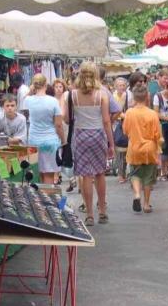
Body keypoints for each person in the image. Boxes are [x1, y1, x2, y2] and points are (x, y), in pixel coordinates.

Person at [64, 62, 114, 226]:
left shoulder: (72, 95)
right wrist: (111, 144)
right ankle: (102, 211)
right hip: (98, 135)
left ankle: (89, 213)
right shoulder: (102, 94)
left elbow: (66, 119)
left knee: (86, 175)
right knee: (100, 173)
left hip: (80, 136)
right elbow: (106, 121)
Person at [124, 84, 162, 213]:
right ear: (147, 97)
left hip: (134, 148)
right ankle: (146, 204)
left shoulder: (129, 113)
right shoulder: (152, 114)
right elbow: (157, 134)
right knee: (148, 178)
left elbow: (125, 130)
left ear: (134, 98)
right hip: (149, 149)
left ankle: (137, 195)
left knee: (135, 174)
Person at [24, 74, 66, 185]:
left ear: (34, 85)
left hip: (33, 142)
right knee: (49, 175)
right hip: (50, 141)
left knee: (37, 174)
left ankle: (40, 200)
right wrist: (63, 140)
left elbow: (24, 99)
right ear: (46, 85)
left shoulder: (29, 100)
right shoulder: (53, 101)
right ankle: (48, 200)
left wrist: (30, 90)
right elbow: (58, 125)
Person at [113, 77, 129, 183]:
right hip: (116, 125)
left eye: (123, 85)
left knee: (126, 149)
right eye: (119, 85)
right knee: (119, 149)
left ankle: (124, 172)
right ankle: (120, 174)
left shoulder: (128, 95)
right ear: (115, 86)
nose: (122, 87)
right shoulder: (112, 97)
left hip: (127, 124)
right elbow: (114, 112)